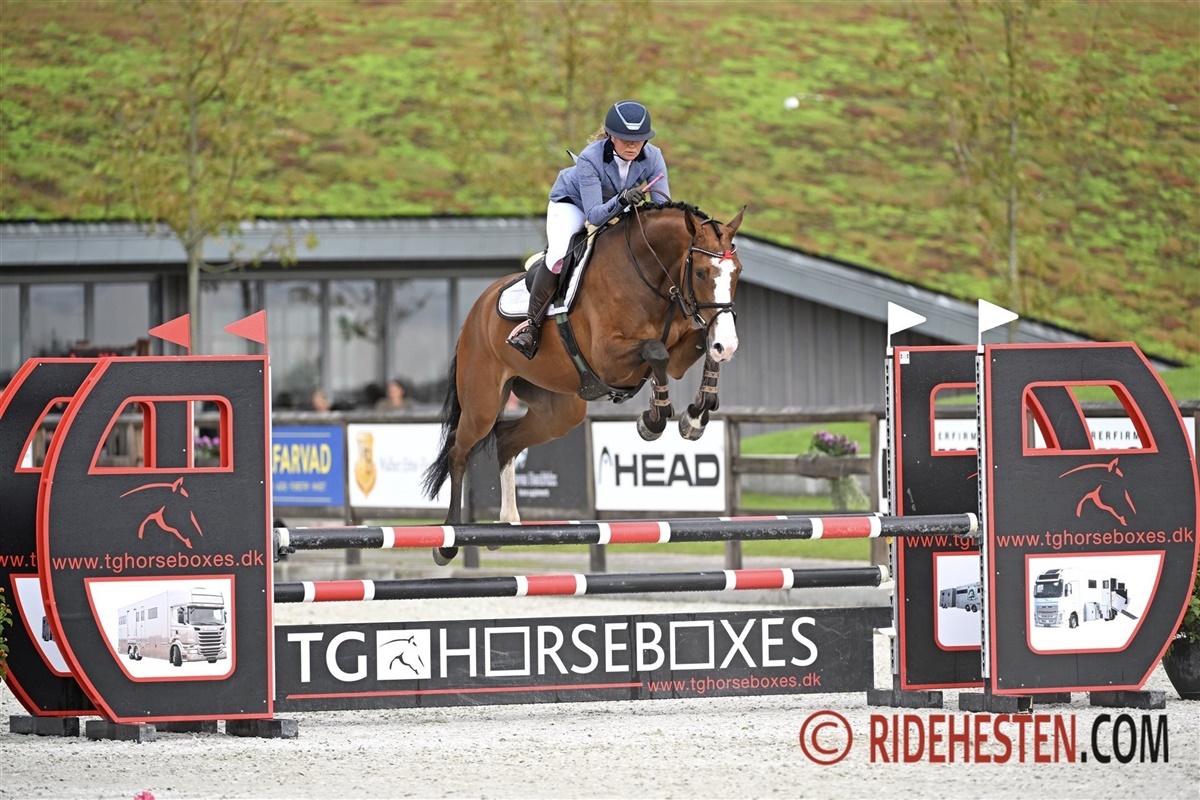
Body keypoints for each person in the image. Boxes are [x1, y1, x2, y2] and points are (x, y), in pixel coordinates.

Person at [507, 99, 670, 359]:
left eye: (639, 140)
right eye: (625, 139)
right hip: (573, 204)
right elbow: (594, 215)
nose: (632, 145)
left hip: (618, 203)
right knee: (560, 254)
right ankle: (532, 327)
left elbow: (662, 207)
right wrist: (622, 200)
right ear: (610, 136)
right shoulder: (590, 159)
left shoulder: (654, 157)